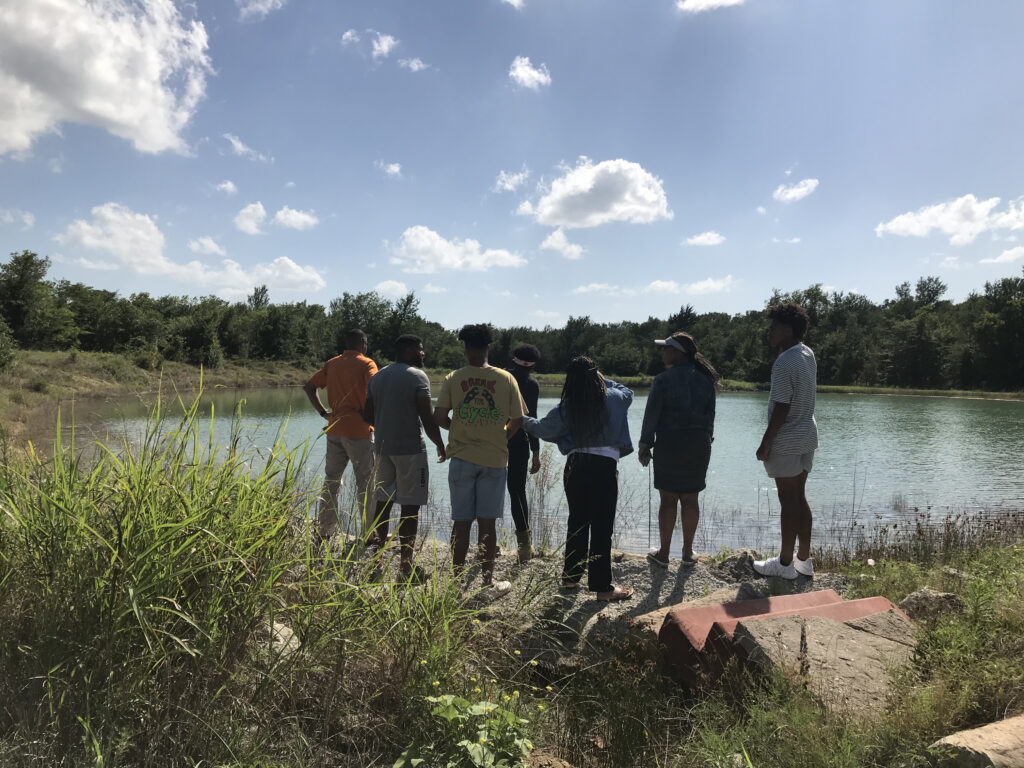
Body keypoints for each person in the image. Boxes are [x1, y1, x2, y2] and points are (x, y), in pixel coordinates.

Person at [521, 356, 634, 602]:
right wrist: (600, 378)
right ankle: (602, 588)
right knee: (602, 528)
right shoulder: (615, 398)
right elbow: (627, 391)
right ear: (597, 376)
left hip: (577, 466)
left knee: (578, 524)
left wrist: (520, 420)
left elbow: (541, 428)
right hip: (605, 467)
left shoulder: (569, 405)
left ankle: (571, 579)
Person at [434, 324, 526, 598]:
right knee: (488, 523)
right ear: (489, 347)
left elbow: (439, 418)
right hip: (494, 459)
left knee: (461, 522)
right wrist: (499, 436)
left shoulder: (453, 378)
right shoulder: (506, 378)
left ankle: (456, 582)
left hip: (461, 458)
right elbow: (518, 419)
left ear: (465, 348)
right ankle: (487, 582)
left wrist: (461, 431)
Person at [363, 334, 447, 581]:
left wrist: (387, 422)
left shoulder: (378, 376)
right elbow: (426, 416)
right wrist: (440, 444)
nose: (423, 353)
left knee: (383, 501)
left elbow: (367, 416)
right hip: (411, 450)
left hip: (382, 449)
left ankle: (376, 562)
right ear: (409, 350)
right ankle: (406, 567)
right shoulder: (417, 376)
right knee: (410, 507)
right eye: (420, 349)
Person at [638, 332, 719, 569]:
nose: (662, 352)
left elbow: (651, 415)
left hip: (670, 443)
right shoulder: (706, 380)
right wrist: (706, 441)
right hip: (699, 443)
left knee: (668, 500)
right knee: (691, 498)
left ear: (677, 352)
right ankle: (687, 553)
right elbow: (711, 416)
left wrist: (645, 445)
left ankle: (663, 554)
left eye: (665, 348)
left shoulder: (663, 380)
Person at [753, 302, 818, 579]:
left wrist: (766, 441)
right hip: (807, 434)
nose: (770, 331)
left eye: (775, 327)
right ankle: (803, 560)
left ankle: (783, 564)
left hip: (788, 437)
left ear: (788, 330)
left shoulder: (784, 362)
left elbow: (781, 407)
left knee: (788, 501)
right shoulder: (807, 354)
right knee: (799, 497)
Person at [303, 329, 377, 540]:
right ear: (363, 343)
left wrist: (323, 413)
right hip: (359, 431)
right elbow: (376, 387)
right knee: (366, 482)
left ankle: (325, 530)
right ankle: (369, 533)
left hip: (334, 429)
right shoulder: (367, 363)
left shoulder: (332, 363)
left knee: (331, 480)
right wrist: (370, 413)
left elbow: (309, 387)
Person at [506, 343, 542, 562]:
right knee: (517, 493)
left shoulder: (501, 378)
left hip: (493, 441)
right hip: (519, 443)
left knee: (487, 490)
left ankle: (484, 542)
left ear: (513, 360)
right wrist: (536, 450)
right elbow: (532, 419)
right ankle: (524, 548)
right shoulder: (531, 384)